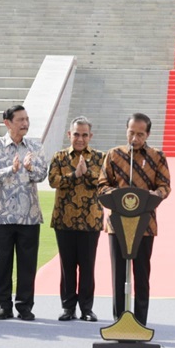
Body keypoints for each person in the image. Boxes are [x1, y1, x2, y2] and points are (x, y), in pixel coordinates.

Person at [97, 113, 171, 325]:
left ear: (147, 134)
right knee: (118, 274)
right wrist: (115, 194)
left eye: (140, 134)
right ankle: (119, 320)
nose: (135, 138)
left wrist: (156, 195)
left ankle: (140, 321)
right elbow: (102, 185)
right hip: (117, 224)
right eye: (131, 133)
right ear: (126, 131)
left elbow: (165, 186)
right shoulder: (113, 155)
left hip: (145, 224)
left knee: (141, 274)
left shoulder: (157, 156)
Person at [0, 105, 46, 321]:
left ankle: (24, 306)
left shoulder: (35, 146)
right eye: (20, 120)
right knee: (1, 262)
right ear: (7, 123)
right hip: (0, 215)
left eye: (27, 119)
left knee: (28, 263)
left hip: (28, 214)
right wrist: (12, 168)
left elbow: (42, 174)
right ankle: (3, 305)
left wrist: (29, 169)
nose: (25, 124)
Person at [47, 116, 105, 322]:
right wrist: (74, 175)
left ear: (90, 136)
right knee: (67, 266)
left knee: (88, 266)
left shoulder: (100, 157)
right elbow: (53, 180)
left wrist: (86, 173)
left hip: (91, 221)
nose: (80, 139)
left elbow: (103, 182)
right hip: (65, 220)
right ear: (69, 134)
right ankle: (68, 307)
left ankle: (87, 309)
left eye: (84, 135)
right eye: (76, 134)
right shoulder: (59, 157)